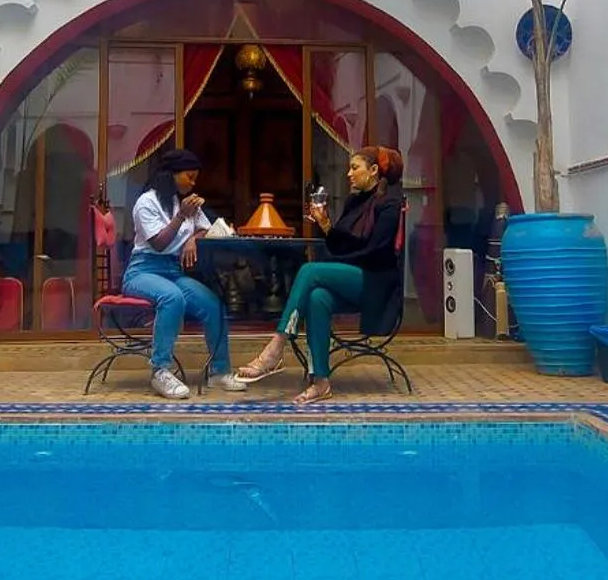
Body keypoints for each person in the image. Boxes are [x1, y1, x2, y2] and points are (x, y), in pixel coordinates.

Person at [235, 146, 404, 404]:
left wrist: (333, 265)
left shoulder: (389, 203)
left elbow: (376, 252)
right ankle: (320, 381)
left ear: (373, 171)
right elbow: (340, 245)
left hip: (375, 283)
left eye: (354, 167)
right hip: (353, 278)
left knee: (310, 270)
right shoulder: (354, 202)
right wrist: (325, 225)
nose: (348, 174)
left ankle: (276, 347)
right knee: (317, 297)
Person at [121, 148, 245, 399]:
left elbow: (204, 230)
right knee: (172, 297)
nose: (193, 182)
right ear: (172, 175)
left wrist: (192, 240)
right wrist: (180, 217)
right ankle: (160, 370)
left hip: (173, 271)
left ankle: (219, 371)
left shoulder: (185, 202)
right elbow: (158, 243)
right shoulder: (148, 202)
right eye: (189, 176)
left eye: (195, 177)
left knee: (212, 303)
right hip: (143, 270)